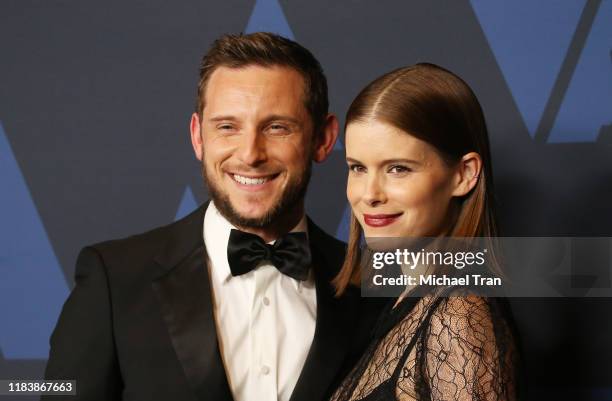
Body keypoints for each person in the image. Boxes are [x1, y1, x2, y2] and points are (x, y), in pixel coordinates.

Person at [43, 32, 382, 401]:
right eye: (227, 127)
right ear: (197, 137)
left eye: (277, 127)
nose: (250, 154)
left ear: (323, 139)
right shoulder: (113, 279)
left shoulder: (372, 281)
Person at [330, 63, 520, 401]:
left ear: (463, 175)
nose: (370, 193)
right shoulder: (406, 300)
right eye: (358, 168)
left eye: (398, 169)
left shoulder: (458, 318)